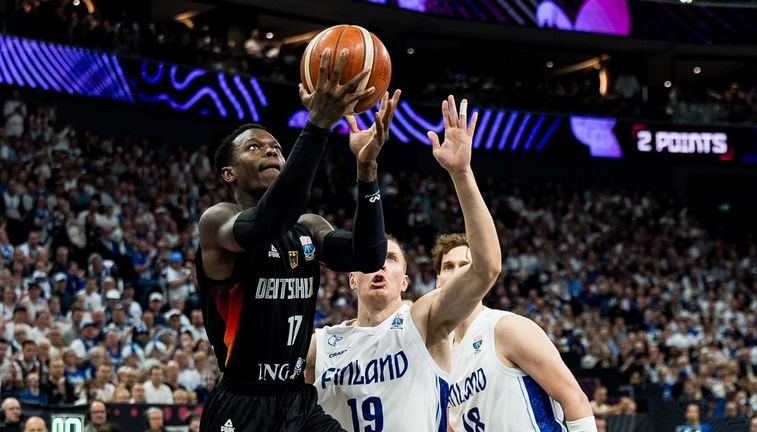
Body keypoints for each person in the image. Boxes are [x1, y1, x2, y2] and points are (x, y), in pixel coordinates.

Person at [197, 47, 399, 432]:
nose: (271, 149)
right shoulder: (217, 222)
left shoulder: (309, 226)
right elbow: (268, 221)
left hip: (297, 401)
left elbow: (369, 255)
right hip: (243, 404)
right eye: (254, 146)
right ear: (229, 173)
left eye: (276, 146)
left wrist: (367, 170)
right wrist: (319, 123)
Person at [307, 96, 502, 431]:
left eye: (391, 258)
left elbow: (486, 269)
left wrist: (461, 173)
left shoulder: (425, 320)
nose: (379, 265)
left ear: (405, 281)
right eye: (371, 259)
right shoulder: (320, 345)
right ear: (352, 278)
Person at [446, 253, 594, 426]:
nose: (457, 272)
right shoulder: (441, 355)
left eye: (465, 265)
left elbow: (574, 398)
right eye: (448, 266)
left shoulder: (506, 327)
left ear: (480, 277)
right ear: (438, 281)